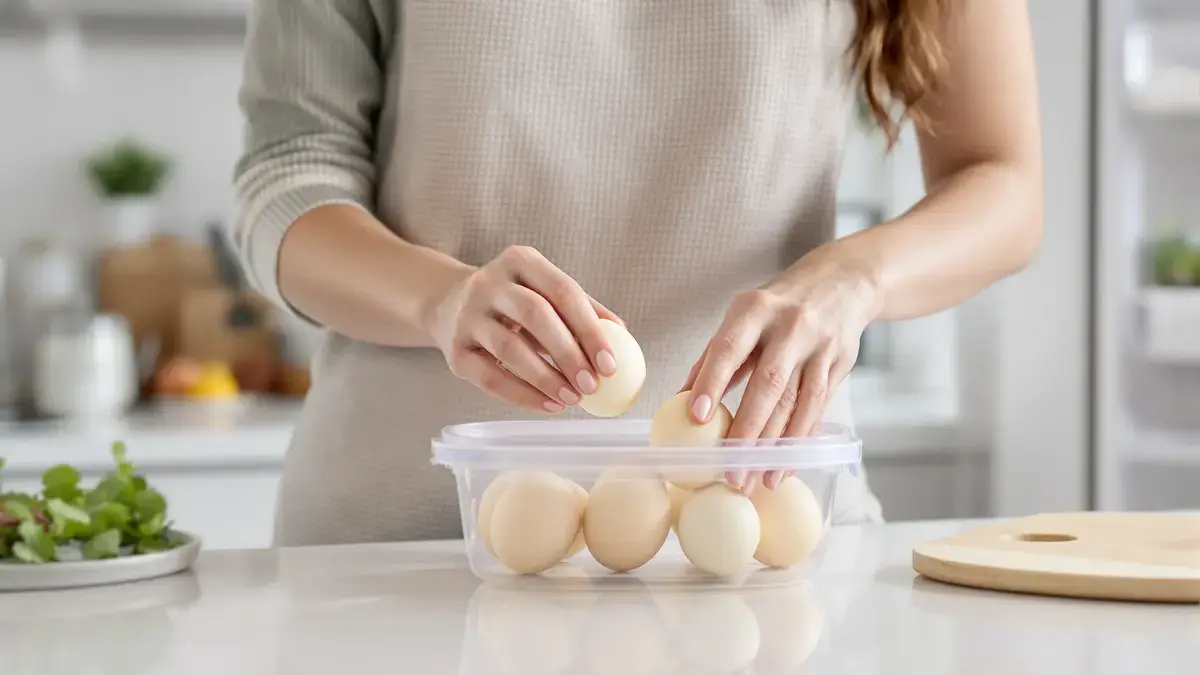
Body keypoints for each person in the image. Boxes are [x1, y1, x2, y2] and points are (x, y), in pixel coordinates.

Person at [232, 0, 1042, 546]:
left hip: (756, 545)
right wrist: (440, 300)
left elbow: (1004, 183)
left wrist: (854, 278)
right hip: (403, 551)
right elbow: (289, 177)